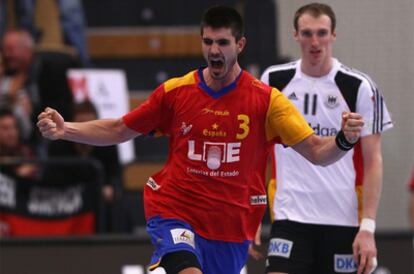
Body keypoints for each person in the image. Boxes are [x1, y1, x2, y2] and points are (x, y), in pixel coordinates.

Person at [37, 5, 364, 274]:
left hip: (230, 228)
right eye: (208, 42)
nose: (214, 51)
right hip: (175, 209)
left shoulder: (267, 102)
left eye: (222, 43)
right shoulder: (176, 93)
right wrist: (67, 130)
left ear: (240, 45)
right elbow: (119, 129)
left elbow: (318, 153)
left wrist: (344, 140)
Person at [260, 3, 393, 274]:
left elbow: (373, 161)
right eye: (307, 33)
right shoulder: (273, 80)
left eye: (322, 33)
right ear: (295, 35)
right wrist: (251, 217)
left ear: (334, 35)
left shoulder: (358, 86)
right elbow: (259, 151)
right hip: (290, 215)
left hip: (342, 219)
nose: (315, 42)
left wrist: (367, 228)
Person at [44, 101, 123, 233]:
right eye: (81, 123)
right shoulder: (59, 145)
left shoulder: (108, 144)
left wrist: (111, 188)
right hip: (66, 202)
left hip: (98, 200)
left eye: (90, 124)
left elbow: (115, 174)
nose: (86, 130)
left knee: (117, 208)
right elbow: (52, 178)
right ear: (72, 123)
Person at [0, 107, 38, 179]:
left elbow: (33, 170)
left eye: (14, 127)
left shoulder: (25, 151)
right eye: (5, 128)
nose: (12, 133)